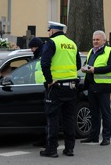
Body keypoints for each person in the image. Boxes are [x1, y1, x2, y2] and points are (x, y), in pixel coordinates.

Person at [40, 21, 81, 158]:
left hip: (56, 87)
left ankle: (51, 149)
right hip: (71, 87)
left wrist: (50, 80)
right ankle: (69, 149)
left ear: (52, 31)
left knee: (53, 118)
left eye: (49, 30)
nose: (48, 33)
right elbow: (78, 65)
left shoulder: (51, 43)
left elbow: (44, 63)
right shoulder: (72, 44)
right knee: (69, 119)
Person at [80, 30, 111, 146]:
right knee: (94, 113)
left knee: (105, 113)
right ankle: (93, 136)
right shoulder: (91, 51)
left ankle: (106, 137)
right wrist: (84, 68)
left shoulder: (109, 51)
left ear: (104, 41)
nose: (95, 42)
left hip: (103, 87)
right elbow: (87, 64)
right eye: (94, 39)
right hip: (91, 86)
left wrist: (95, 70)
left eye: (97, 39)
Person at [28, 37, 46, 147]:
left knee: (46, 117)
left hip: (44, 88)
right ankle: (42, 139)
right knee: (41, 117)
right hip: (36, 89)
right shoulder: (36, 56)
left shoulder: (43, 56)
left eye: (33, 47)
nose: (32, 50)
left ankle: (46, 140)